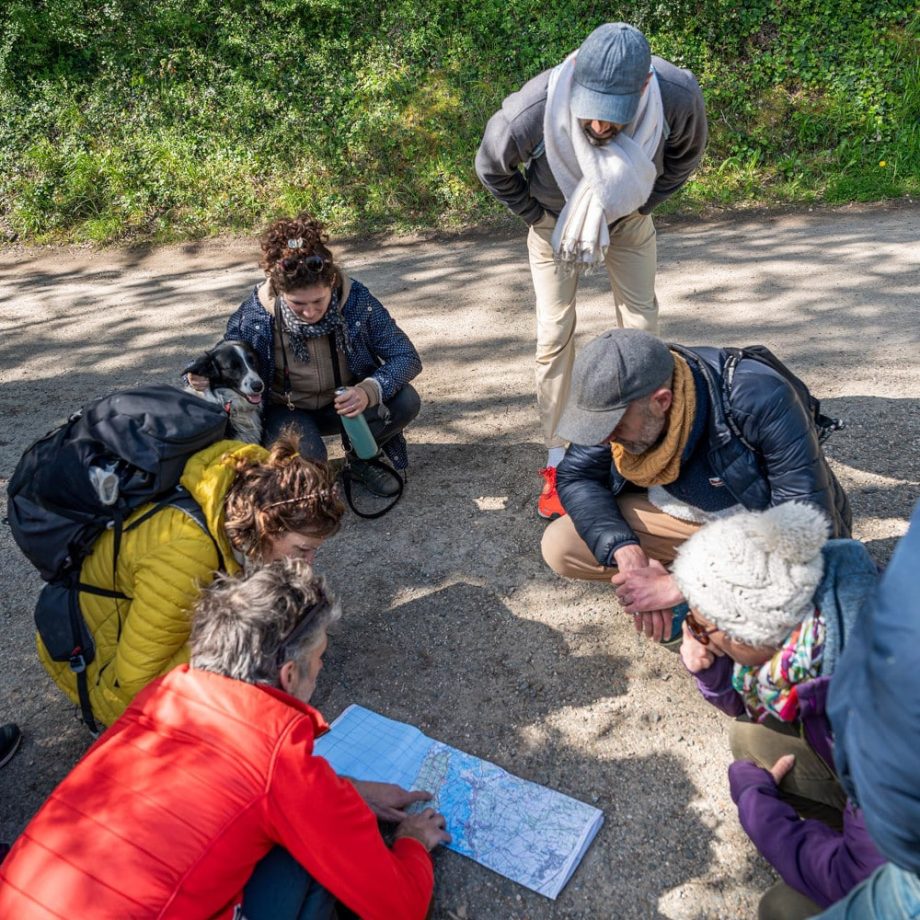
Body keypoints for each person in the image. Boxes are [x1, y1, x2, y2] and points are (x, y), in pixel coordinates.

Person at [0, 559, 450, 918]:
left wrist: (343, 791)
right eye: (321, 658)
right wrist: (411, 840)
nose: (322, 668)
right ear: (289, 674)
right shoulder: (278, 757)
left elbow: (217, 789)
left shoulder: (163, 694)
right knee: (305, 868)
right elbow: (400, 907)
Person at [475, 22, 707, 517]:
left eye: (616, 118)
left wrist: (645, 205)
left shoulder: (677, 96)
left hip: (628, 219)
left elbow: (687, 157)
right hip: (554, 223)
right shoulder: (531, 111)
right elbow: (491, 167)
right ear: (577, 77)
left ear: (643, 86)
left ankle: (653, 445)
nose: (601, 129)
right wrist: (539, 218)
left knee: (642, 326)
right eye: (594, 115)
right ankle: (560, 455)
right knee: (554, 332)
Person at [541, 328, 851, 641]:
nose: (605, 438)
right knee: (562, 545)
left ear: (661, 401)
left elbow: (805, 524)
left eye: (614, 425)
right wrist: (626, 551)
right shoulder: (617, 403)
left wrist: (683, 583)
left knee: (762, 636)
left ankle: (701, 595)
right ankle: (697, 589)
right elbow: (577, 475)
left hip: (760, 529)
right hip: (689, 521)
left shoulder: (759, 395)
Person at [38, 431, 344, 727]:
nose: (308, 563)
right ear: (268, 526)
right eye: (302, 549)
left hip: (132, 640)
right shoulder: (186, 557)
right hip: (101, 670)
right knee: (264, 660)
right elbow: (135, 682)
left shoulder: (252, 485)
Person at [672, 503, 883, 918]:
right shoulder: (820, 627)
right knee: (752, 736)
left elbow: (854, 877)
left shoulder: (873, 715)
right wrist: (712, 668)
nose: (698, 637)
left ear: (746, 633)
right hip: (875, 805)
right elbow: (754, 706)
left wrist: (757, 804)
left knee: (783, 907)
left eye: (700, 626)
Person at [190, 212, 422, 498]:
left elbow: (406, 356)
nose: (310, 313)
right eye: (298, 304)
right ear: (279, 290)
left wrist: (367, 390)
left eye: (319, 301)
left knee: (406, 400)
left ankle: (361, 460)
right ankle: (309, 463)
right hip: (287, 409)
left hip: (347, 403)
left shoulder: (358, 299)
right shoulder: (254, 314)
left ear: (332, 283)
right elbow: (228, 358)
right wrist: (202, 378)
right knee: (311, 473)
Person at [813, 501, 920, 918]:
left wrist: (754, 796)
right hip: (873, 790)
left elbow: (831, 868)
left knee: (779, 905)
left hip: (892, 843)